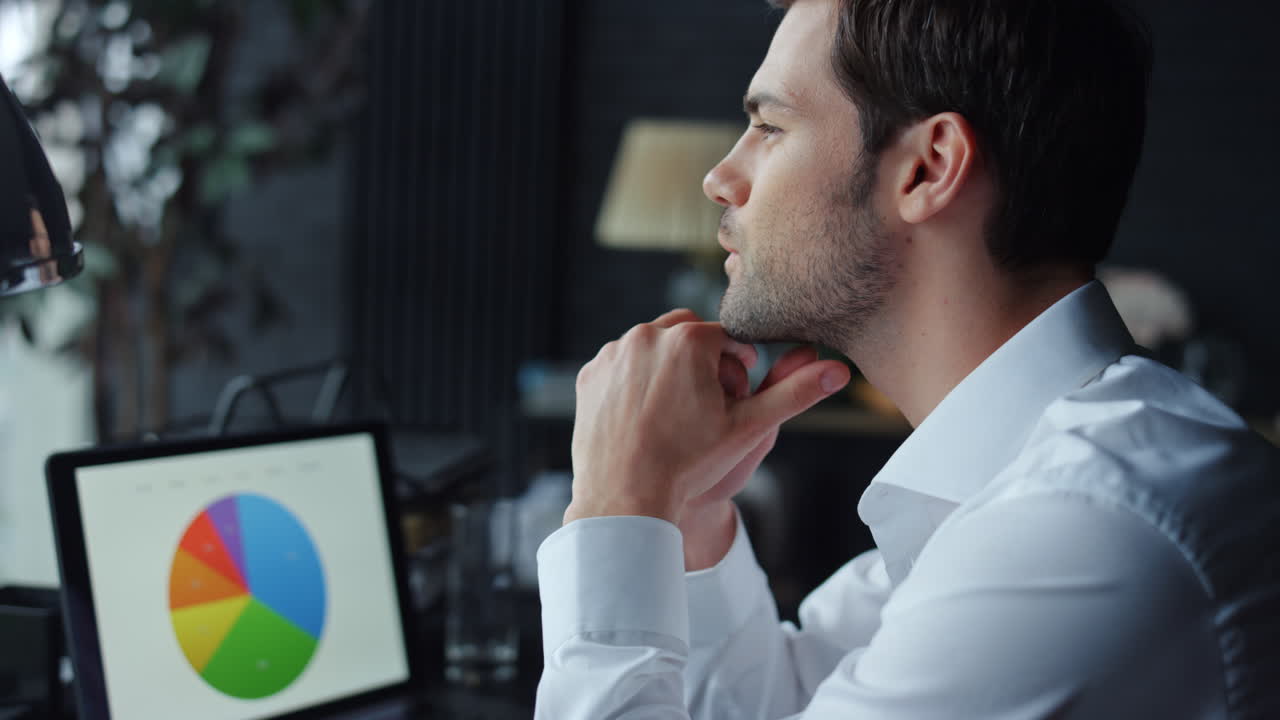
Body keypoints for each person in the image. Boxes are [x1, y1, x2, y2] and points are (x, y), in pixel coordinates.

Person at [535, 0, 1280, 717]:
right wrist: (684, 514)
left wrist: (616, 509)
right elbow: (784, 703)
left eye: (768, 126)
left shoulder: (1085, 533)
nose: (721, 178)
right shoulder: (1012, 491)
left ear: (928, 168)